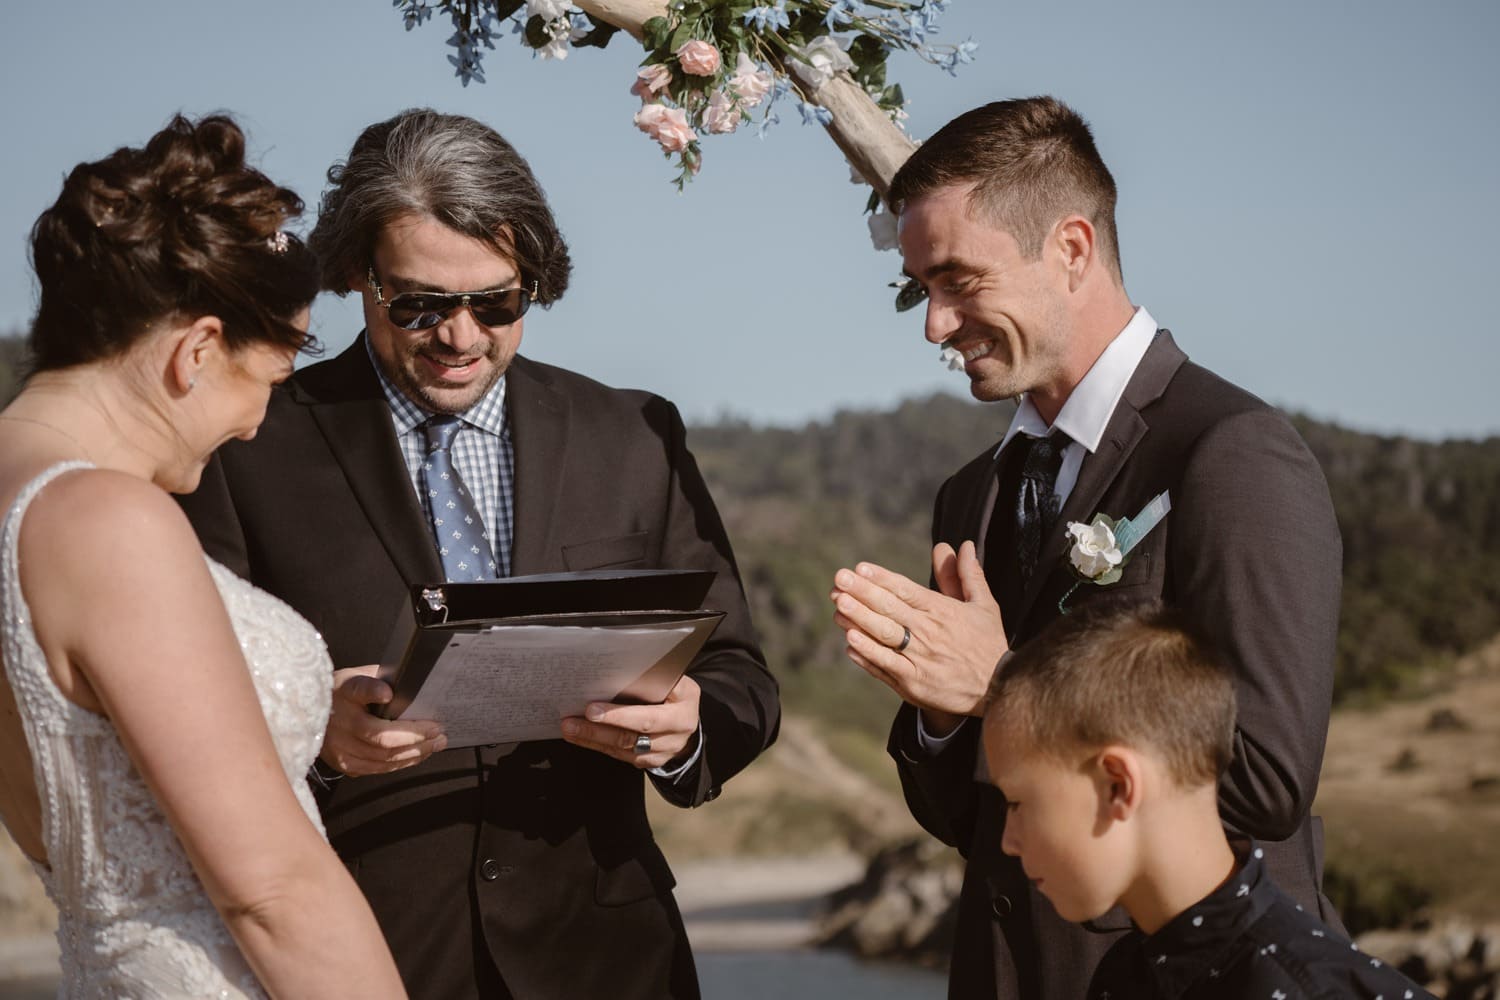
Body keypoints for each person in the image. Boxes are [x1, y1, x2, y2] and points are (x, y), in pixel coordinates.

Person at [179, 107, 780, 999]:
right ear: (356, 277)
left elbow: (740, 675)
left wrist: (690, 730)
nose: (460, 336)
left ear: (534, 277)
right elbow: (185, 710)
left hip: (610, 963)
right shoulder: (246, 446)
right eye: (421, 304)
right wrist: (314, 741)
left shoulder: (634, 433)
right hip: (360, 956)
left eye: (495, 301)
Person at [830, 96, 1343, 999]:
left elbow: (1264, 782)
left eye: (958, 281)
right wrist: (942, 715)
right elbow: (970, 820)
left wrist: (1003, 688)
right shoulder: (972, 493)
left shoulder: (1231, 453)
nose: (934, 325)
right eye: (922, 289)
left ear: (1071, 248)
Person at [0, 115, 404, 997]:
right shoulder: (108, 521)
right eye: (265, 382)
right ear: (197, 349)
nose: (256, 425)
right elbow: (272, 894)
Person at [982, 600, 1433, 1000]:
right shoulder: (1126, 975)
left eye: (1018, 803)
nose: (1009, 840)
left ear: (1118, 785)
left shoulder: (1305, 990)